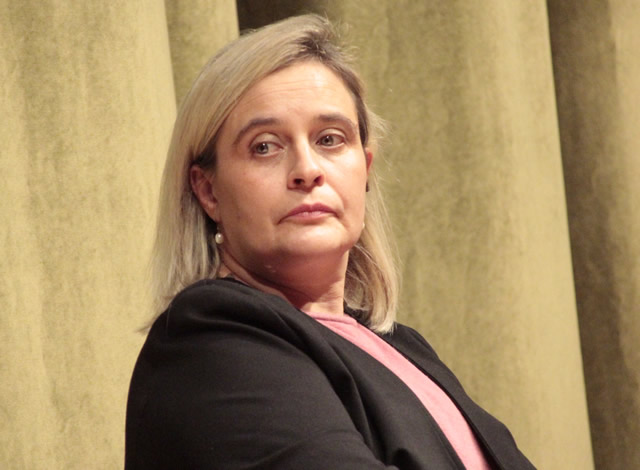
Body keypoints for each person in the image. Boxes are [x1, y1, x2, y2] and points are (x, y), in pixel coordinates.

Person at [125, 14, 535, 470]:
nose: (307, 169)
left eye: (330, 139)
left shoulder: (402, 347)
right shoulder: (209, 341)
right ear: (208, 191)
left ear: (366, 169)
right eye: (265, 146)